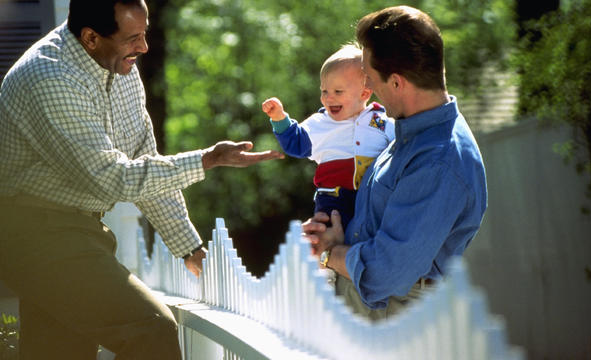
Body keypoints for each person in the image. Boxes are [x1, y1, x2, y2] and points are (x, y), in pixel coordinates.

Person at [0, 0, 282, 358]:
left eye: (145, 34)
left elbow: (142, 161)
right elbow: (111, 179)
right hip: (34, 232)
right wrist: (208, 159)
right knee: (150, 328)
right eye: (133, 37)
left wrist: (189, 248)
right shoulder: (50, 77)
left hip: (75, 229)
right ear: (91, 38)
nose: (144, 47)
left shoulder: (120, 66)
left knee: (59, 352)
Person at [303, 6, 488, 321]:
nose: (369, 91)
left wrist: (330, 253)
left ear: (398, 83)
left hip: (396, 331)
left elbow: (383, 274)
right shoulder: (406, 135)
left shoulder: (438, 160)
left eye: (371, 79)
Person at [262, 44, 394, 229]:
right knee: (330, 234)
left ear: (364, 93)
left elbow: (403, 143)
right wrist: (279, 118)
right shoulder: (320, 122)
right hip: (333, 198)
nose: (328, 98)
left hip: (373, 196)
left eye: (338, 92)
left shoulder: (380, 120)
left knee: (375, 234)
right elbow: (296, 143)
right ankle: (327, 254)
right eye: (324, 91)